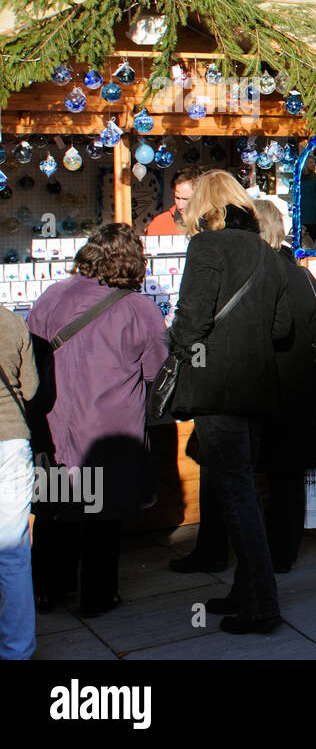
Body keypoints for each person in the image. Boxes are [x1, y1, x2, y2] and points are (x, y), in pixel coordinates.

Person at [168, 171, 291, 634]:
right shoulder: (266, 250)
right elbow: (280, 329)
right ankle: (246, 591)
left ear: (204, 205)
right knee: (243, 491)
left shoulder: (206, 246)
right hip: (257, 386)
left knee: (236, 493)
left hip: (216, 386)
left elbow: (192, 318)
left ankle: (261, 605)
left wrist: (178, 344)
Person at [25, 224, 168, 618]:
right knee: (101, 520)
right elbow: (158, 369)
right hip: (109, 428)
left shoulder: (53, 294)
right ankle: (97, 597)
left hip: (56, 424)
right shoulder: (139, 308)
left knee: (58, 510)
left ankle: (48, 591)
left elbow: (31, 354)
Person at [0, 304, 38, 659]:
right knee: (13, 554)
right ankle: (18, 650)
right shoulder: (12, 321)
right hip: (12, 442)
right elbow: (31, 388)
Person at [145, 165, 204, 236]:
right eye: (177, 198)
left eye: (186, 199)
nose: (180, 205)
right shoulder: (160, 223)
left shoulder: (213, 223)